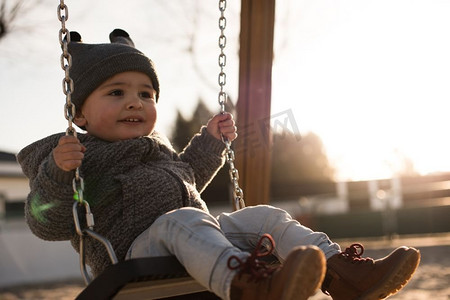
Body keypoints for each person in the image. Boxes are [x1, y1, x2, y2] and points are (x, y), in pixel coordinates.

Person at [17, 29, 420, 300]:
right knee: (180, 220)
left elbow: (188, 174)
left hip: (197, 240)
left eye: (146, 93)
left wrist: (210, 141)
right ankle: (252, 288)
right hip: (133, 256)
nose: (135, 102)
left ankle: (346, 278)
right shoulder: (78, 157)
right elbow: (45, 222)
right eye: (116, 92)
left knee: (264, 215)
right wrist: (57, 173)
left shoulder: (157, 152)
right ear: (79, 114)